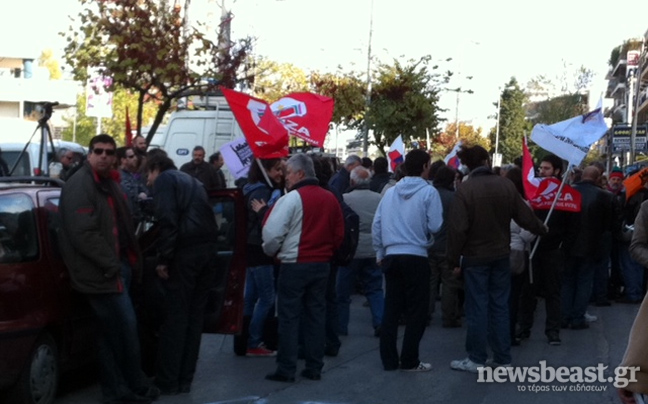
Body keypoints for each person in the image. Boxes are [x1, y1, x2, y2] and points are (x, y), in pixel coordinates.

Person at [59, 134, 158, 404]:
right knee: (122, 330)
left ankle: (123, 387)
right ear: (89, 154)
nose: (104, 156)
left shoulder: (108, 182)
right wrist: (112, 265)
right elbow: (84, 234)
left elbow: (121, 223)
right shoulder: (81, 183)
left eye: (109, 152)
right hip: (101, 273)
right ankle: (123, 388)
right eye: (98, 151)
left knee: (113, 332)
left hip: (114, 267)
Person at [447, 145, 547, 373]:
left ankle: (476, 357)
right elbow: (524, 216)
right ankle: (502, 357)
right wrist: (542, 228)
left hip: (475, 256)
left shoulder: (465, 189)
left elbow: (457, 229)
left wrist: (453, 260)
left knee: (477, 307)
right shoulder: (505, 185)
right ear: (486, 160)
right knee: (500, 306)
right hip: (501, 254)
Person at [262, 154, 344, 382]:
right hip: (321, 265)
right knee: (316, 315)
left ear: (299, 174)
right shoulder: (330, 199)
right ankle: (314, 366)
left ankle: (286, 368)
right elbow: (339, 233)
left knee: (289, 317)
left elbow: (271, 233)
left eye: (288, 172)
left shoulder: (291, 199)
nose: (285, 177)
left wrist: (272, 251)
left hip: (294, 264)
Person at [146, 153, 219, 395]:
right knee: (194, 318)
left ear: (156, 167)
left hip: (184, 253)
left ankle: (167, 380)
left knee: (176, 318)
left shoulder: (165, 181)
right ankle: (185, 378)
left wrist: (163, 258)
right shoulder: (192, 181)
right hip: (207, 251)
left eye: (148, 173)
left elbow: (168, 220)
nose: (148, 180)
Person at [372, 149, 443, 372]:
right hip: (416, 255)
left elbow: (377, 224)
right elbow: (435, 225)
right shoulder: (429, 193)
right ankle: (410, 359)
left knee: (391, 309)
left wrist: (379, 253)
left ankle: (388, 360)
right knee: (417, 310)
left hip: (392, 254)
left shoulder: (390, 193)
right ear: (424, 166)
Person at [516, 154, 577, 346]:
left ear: (557, 171)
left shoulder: (565, 193)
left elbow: (572, 226)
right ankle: (524, 328)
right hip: (533, 247)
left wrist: (562, 246)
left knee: (553, 292)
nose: (542, 171)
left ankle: (553, 332)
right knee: (528, 291)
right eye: (540, 168)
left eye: (546, 168)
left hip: (553, 250)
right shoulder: (534, 191)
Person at [562, 166, 619, 329]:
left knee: (568, 280)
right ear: (597, 178)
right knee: (584, 281)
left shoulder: (569, 191)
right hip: (591, 244)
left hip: (569, 243)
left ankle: (565, 315)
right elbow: (609, 224)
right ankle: (577, 317)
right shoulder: (605, 196)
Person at [242, 158, 285, 356]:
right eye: (277, 169)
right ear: (265, 170)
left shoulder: (249, 189)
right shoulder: (264, 193)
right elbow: (268, 223)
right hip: (261, 248)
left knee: (250, 297)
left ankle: (244, 338)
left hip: (249, 248)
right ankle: (254, 341)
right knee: (267, 298)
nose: (280, 174)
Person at [338, 165, 384, 337]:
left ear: (352, 181)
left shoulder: (345, 199)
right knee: (375, 288)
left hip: (351, 250)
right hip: (373, 248)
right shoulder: (379, 198)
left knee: (342, 292)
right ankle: (380, 321)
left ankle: (341, 326)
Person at [428, 165, 462, 328]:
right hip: (448, 246)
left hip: (429, 244)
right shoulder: (454, 197)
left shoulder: (429, 194)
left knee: (430, 282)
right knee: (449, 284)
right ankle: (449, 317)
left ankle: (426, 313)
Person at [117, 147, 148, 228]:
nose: (135, 158)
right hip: (127, 221)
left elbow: (143, 189)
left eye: (135, 156)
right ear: (123, 160)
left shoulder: (130, 174)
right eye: (131, 157)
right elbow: (130, 196)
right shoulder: (119, 176)